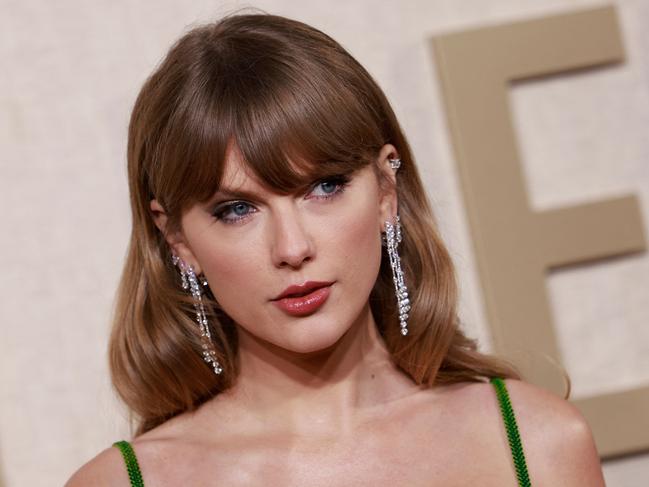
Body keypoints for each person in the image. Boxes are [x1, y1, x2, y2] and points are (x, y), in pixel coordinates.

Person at [66, 12, 605, 486]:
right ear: (177, 239)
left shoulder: (536, 446)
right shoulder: (120, 483)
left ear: (386, 193)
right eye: (236, 209)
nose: (292, 247)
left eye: (323, 188)